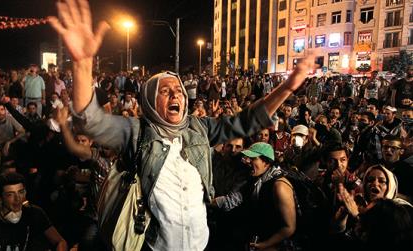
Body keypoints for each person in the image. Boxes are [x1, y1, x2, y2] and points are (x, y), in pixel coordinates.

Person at [48, 1, 314, 249]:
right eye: (165, 91)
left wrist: (288, 87)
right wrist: (82, 64)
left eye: (179, 90)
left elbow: (246, 122)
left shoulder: (199, 128)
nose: (176, 94)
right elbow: (90, 120)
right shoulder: (136, 132)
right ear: (150, 101)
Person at [0, 172, 68, 251]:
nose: (17, 199)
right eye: (10, 194)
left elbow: (60, 242)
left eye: (21, 192)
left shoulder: (34, 213)